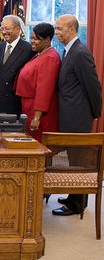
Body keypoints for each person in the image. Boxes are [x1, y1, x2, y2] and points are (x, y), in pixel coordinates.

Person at [52, 14, 102, 216]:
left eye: (59, 29)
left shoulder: (80, 52)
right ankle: (74, 196)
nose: (56, 33)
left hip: (78, 117)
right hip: (70, 115)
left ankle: (77, 205)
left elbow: (93, 86)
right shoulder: (69, 51)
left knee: (79, 162)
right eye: (56, 29)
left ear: (72, 30)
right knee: (74, 160)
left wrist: (95, 112)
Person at [16, 23, 60, 141]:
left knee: (39, 146)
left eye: (36, 39)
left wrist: (36, 118)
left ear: (47, 40)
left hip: (39, 112)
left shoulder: (50, 58)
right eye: (32, 38)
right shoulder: (41, 54)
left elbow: (44, 90)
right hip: (30, 107)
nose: (32, 41)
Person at [0, 15, 35, 115]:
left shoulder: (28, 49)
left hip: (16, 103)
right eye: (2, 28)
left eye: (7, 28)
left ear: (17, 29)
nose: (3, 32)